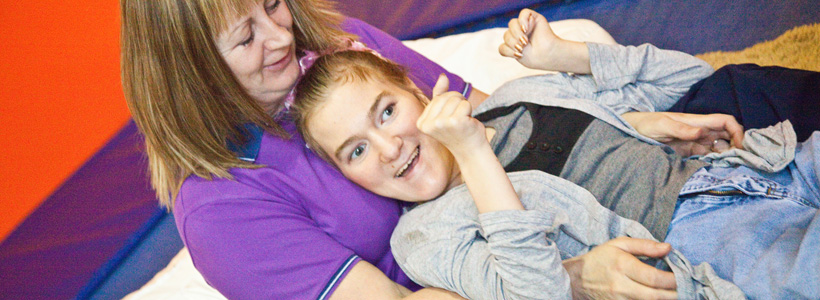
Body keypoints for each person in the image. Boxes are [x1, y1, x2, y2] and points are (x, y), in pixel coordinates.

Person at [119, 1, 765, 298]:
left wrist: (625, 124)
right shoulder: (221, 213)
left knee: (739, 97)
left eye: (272, 2)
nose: (280, 35)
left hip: (543, 194)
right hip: (504, 272)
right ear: (193, 69)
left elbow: (493, 113)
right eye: (245, 37)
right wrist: (571, 278)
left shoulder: (339, 49)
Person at [292, 10, 820, 299]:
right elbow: (537, 292)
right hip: (706, 243)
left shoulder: (512, 100)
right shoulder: (422, 236)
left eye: (386, 111)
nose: (388, 149)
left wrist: (566, 57)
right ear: (346, 175)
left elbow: (694, 78)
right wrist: (474, 157)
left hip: (756, 168)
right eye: (355, 151)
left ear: (416, 90)